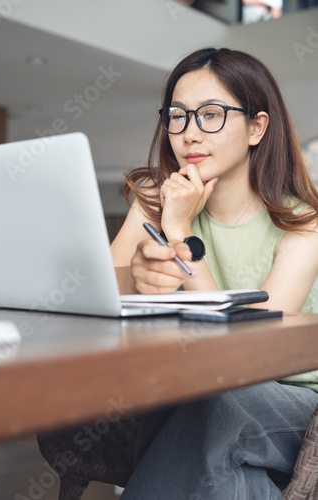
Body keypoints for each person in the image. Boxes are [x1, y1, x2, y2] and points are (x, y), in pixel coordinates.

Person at [110, 47, 318, 499]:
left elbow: (254, 350)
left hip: (297, 407)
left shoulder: (304, 223)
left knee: (213, 401)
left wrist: (180, 233)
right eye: (178, 116)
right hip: (199, 388)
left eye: (211, 115)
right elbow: (101, 291)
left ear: (257, 127)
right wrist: (138, 279)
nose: (189, 133)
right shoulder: (152, 196)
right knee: (224, 459)